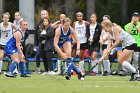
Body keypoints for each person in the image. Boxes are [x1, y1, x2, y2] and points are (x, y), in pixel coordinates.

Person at [34, 10, 49, 74]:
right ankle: (38, 68)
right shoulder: (39, 23)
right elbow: (36, 34)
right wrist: (35, 44)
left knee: (46, 56)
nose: (43, 15)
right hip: (40, 42)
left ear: (47, 14)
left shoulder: (50, 23)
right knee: (38, 55)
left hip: (48, 43)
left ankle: (48, 70)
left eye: (44, 14)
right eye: (42, 14)